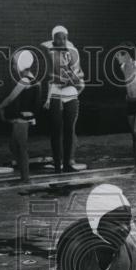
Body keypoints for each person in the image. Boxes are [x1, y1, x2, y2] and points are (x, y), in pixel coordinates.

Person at [42, 25, 85, 173]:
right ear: (54, 38)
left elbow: (77, 75)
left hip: (71, 94)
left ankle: (67, 163)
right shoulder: (48, 50)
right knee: (56, 130)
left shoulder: (72, 51)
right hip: (56, 94)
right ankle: (57, 164)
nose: (64, 40)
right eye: (60, 37)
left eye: (65, 37)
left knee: (69, 130)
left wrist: (73, 80)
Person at [0, 49, 41, 182]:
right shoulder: (34, 78)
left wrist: (0, 107)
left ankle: (25, 177)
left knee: (21, 147)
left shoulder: (25, 80)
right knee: (14, 145)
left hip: (22, 118)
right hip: (26, 116)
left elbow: (11, 98)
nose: (13, 67)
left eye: (14, 64)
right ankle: (24, 174)